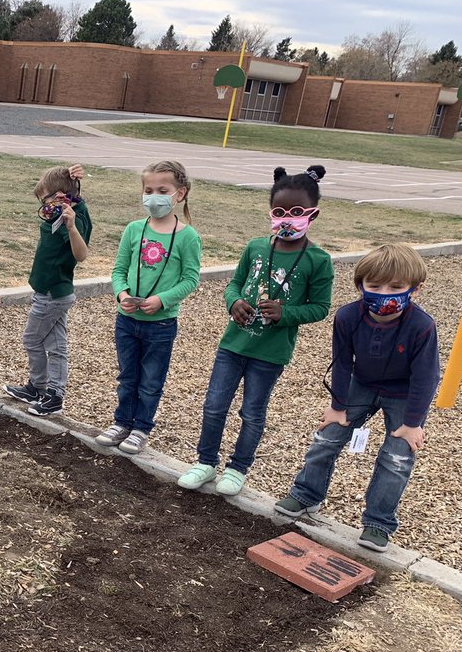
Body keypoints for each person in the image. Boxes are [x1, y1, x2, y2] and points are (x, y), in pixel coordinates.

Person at [177, 166, 334, 495]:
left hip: (270, 354)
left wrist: (286, 313)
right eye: (279, 212)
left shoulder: (319, 260)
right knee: (214, 406)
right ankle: (205, 462)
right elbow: (234, 284)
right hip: (233, 345)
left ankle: (237, 468)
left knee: (252, 413)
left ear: (313, 214)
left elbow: (320, 307)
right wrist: (233, 302)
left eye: (296, 212)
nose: (287, 219)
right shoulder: (255, 247)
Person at [275, 243, 439, 552]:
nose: (384, 293)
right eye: (374, 286)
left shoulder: (422, 326)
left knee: (397, 457)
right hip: (361, 384)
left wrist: (413, 423)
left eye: (396, 287)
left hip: (403, 393)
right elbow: (342, 362)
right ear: (360, 285)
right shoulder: (348, 316)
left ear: (415, 288)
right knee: (327, 437)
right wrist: (338, 406)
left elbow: (426, 377)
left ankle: (378, 522)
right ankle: (307, 494)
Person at [94, 160, 202, 449]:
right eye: (149, 190)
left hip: (161, 324)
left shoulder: (188, 237)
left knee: (151, 380)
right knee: (127, 376)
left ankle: (141, 427)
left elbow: (191, 279)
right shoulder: (133, 229)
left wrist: (162, 300)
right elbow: (119, 270)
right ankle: (122, 422)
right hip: (127, 320)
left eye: (162, 191)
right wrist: (122, 295)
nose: (154, 197)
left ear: (179, 194)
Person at [3, 164, 91, 417]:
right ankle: (49, 391)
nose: (44, 205)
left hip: (52, 293)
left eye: (45, 200)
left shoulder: (70, 220)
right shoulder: (70, 210)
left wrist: (71, 227)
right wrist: (73, 181)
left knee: (32, 339)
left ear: (59, 197)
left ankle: (43, 389)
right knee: (56, 345)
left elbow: (81, 254)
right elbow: (78, 201)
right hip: (51, 292)